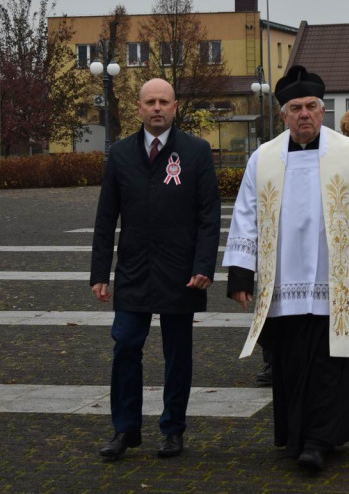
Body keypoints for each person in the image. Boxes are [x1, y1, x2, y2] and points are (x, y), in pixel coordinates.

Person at [223, 65, 349, 472]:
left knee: (331, 362)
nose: (304, 114)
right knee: (289, 361)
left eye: (311, 107)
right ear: (283, 114)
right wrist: (239, 272)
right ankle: (299, 435)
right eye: (295, 108)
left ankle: (320, 439)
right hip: (283, 283)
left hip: (336, 282)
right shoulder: (263, 157)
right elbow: (246, 216)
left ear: (323, 111)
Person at [90, 78, 221, 459]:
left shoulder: (195, 152)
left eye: (164, 101)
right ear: (139, 107)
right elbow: (105, 218)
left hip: (182, 273)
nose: (157, 107)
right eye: (151, 102)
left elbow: (209, 216)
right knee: (125, 344)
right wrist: (100, 273)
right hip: (133, 271)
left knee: (177, 353)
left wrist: (204, 265)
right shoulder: (120, 154)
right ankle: (125, 429)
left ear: (176, 106)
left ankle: (172, 429)